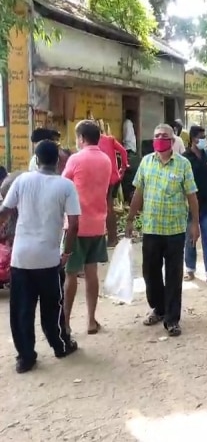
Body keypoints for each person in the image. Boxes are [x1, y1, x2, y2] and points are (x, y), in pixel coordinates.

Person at [1, 141, 81, 373]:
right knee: (52, 308)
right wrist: (67, 251)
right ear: (58, 161)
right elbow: (74, 223)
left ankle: (25, 358)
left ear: (36, 159)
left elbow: (5, 212)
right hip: (48, 258)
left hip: (21, 258)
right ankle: (60, 346)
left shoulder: (22, 180)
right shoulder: (66, 186)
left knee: (22, 310)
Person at [126, 124, 199, 337]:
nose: (160, 139)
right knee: (150, 274)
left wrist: (195, 224)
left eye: (164, 136)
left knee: (174, 276)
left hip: (175, 230)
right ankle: (158, 308)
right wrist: (130, 219)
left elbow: (192, 196)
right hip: (151, 229)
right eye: (157, 135)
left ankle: (172, 319)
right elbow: (138, 193)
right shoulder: (146, 163)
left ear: (172, 140)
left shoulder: (183, 164)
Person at [62, 120, 113, 336]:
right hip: (98, 224)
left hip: (76, 225)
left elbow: (63, 184)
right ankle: (91, 320)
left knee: (70, 274)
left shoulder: (75, 159)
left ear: (82, 138)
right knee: (92, 272)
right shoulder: (106, 160)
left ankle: (65, 322)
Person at [183, 126, 207, 285]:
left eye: (205, 137)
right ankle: (190, 269)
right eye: (201, 137)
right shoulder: (185, 159)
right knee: (191, 237)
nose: (204, 139)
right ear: (192, 139)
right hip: (190, 205)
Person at [98, 128, 128, 247]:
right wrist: (124, 167)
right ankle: (112, 238)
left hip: (101, 177)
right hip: (113, 176)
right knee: (108, 205)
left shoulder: (91, 141)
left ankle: (111, 239)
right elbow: (123, 151)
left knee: (106, 207)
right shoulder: (109, 139)